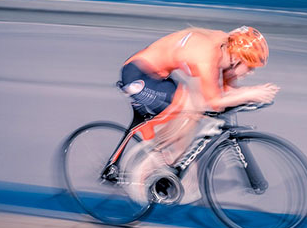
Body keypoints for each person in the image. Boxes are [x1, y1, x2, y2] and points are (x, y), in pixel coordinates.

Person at [119, 25, 278, 174]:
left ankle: (168, 159)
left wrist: (248, 96)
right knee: (188, 105)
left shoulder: (226, 52)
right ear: (237, 58)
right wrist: (249, 93)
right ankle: (149, 163)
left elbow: (227, 91)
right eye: (250, 66)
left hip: (156, 77)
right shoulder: (208, 55)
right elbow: (214, 102)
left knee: (193, 107)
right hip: (137, 76)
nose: (251, 73)